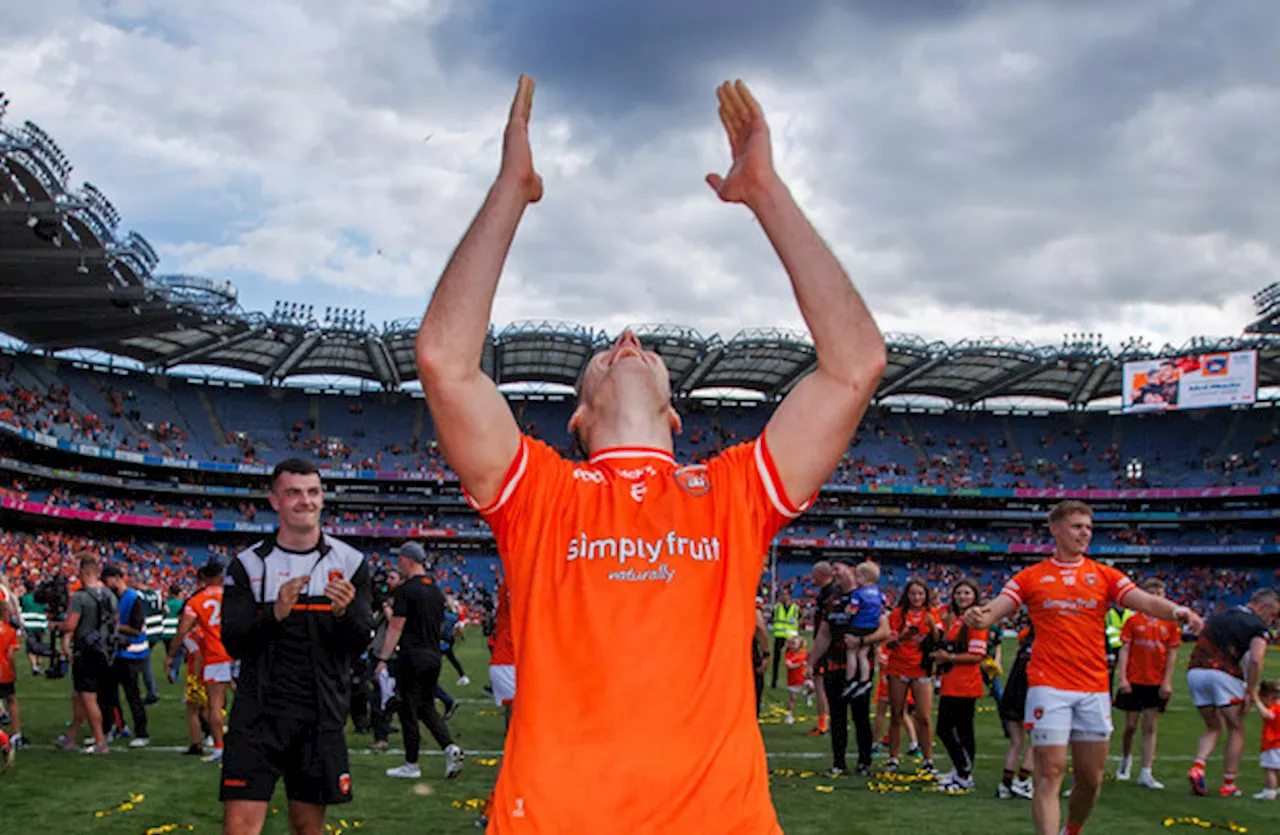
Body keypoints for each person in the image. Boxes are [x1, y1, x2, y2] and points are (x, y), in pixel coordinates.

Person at [414, 75, 886, 832]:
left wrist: (764, 191)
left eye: (642, 346)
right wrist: (511, 190)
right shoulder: (538, 491)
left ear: (675, 416)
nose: (627, 339)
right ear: (577, 417)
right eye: (609, 349)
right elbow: (443, 357)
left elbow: (856, 362)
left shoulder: (734, 491)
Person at [965, 500, 1203, 835]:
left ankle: (1072, 829)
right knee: (1049, 772)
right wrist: (980, 615)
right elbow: (995, 610)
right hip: (1048, 684)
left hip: (1092, 688)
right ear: (1056, 529)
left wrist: (1176, 610)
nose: (1085, 533)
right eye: (1077, 526)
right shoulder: (1031, 577)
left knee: (1090, 780)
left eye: (1089, 528)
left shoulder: (1103, 575)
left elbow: (1145, 601)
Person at [218, 457, 373, 835]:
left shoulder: (351, 562)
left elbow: (359, 643)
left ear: (322, 498)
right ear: (275, 501)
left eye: (313, 492)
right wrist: (274, 614)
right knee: (239, 827)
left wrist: (344, 614)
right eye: (294, 493)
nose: (305, 501)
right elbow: (233, 642)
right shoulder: (248, 564)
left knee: (308, 827)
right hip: (257, 717)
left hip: (318, 717)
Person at [375, 542, 464, 781]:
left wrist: (383, 657)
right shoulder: (435, 590)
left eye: (400, 559)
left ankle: (411, 763)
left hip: (412, 655)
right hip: (433, 655)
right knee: (425, 706)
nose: (397, 563)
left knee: (407, 708)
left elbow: (396, 627)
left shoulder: (407, 590)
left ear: (408, 560)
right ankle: (449, 747)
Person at [1185, 587, 1279, 798]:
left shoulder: (1221, 614)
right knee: (1236, 727)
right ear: (1263, 607)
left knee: (1213, 725)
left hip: (1195, 672)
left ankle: (1198, 766)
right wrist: (1251, 691)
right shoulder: (1257, 626)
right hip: (1223, 673)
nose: (1272, 619)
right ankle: (1228, 784)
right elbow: (1256, 659)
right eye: (1273, 614)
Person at [809, 559, 890, 777]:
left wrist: (862, 642)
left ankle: (864, 762)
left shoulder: (867, 595)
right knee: (837, 717)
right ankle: (838, 762)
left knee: (861, 717)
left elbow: (885, 630)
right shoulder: (831, 599)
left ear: (851, 571)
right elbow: (824, 634)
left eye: (838, 568)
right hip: (834, 665)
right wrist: (811, 661)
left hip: (860, 668)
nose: (833, 572)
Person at [1114, 578, 1181, 789]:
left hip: (1155, 680)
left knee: (1150, 726)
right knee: (1131, 725)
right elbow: (1124, 649)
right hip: (1135, 679)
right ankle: (1125, 759)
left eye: (1159, 595)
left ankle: (1146, 771)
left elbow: (1172, 652)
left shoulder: (1169, 623)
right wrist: (1123, 677)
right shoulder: (1133, 621)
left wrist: (1167, 682)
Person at [165, 562, 231, 764]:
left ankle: (219, 747)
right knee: (249, 701)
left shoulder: (196, 601)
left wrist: (170, 656)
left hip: (215, 655)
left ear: (202, 577)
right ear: (221, 576)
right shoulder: (233, 596)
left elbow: (183, 630)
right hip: (238, 652)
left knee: (214, 705)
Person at [931, 577, 988, 793]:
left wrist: (949, 658)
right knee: (960, 729)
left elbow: (977, 654)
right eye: (958, 593)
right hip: (952, 682)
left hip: (965, 684)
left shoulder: (975, 620)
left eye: (966, 593)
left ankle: (964, 773)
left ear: (975, 596)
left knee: (948, 728)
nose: (962, 597)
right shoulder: (957, 619)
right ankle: (961, 771)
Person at [54, 556, 115, 755]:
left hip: (85, 651)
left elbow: (70, 625)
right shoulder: (109, 595)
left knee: (88, 697)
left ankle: (100, 741)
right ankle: (71, 736)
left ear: (84, 573)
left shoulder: (80, 597)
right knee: (79, 695)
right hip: (104, 650)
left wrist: (56, 626)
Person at [883, 577, 939, 775]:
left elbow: (938, 640)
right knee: (897, 714)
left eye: (920, 594)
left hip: (921, 668)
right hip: (898, 667)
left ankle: (928, 759)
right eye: (913, 594)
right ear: (907, 595)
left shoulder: (932, 614)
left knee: (923, 716)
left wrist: (932, 627)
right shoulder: (898, 614)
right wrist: (903, 636)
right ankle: (893, 758)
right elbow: (888, 643)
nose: (917, 597)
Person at [100, 565, 151, 748]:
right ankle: (115, 727)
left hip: (131, 653)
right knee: (108, 693)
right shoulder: (114, 598)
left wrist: (114, 626)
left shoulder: (134, 598)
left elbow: (136, 629)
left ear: (116, 578)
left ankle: (142, 731)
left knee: (132, 693)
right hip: (116, 652)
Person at [843, 561, 884, 698]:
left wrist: (847, 610)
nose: (855, 578)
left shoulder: (858, 593)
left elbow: (853, 610)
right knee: (863, 654)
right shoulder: (878, 593)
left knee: (851, 652)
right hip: (872, 627)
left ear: (865, 577)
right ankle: (865, 680)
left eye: (858, 576)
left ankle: (850, 680)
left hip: (859, 625)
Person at [809, 561, 836, 737]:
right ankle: (826, 723)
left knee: (822, 685)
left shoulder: (830, 594)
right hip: (827, 645)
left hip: (827, 647)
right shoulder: (827, 593)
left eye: (814, 575)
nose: (812, 578)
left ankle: (823, 724)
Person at [0, 599, 22, 751]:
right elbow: (10, 655)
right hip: (4, 671)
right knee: (11, 700)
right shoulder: (9, 631)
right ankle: (15, 734)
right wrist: (13, 671)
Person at [1253, 680, 1280, 800]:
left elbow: (1267, 715)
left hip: (1273, 743)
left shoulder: (1275, 708)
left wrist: (1256, 700)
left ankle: (1269, 791)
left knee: (1270, 768)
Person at [769, 586, 800, 689]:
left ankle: (793, 682)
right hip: (779, 636)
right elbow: (773, 619)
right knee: (776, 660)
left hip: (791, 638)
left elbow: (798, 619)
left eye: (785, 594)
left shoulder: (796, 607)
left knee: (792, 660)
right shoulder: (777, 607)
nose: (783, 596)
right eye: (782, 594)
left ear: (789, 596)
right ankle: (774, 682)